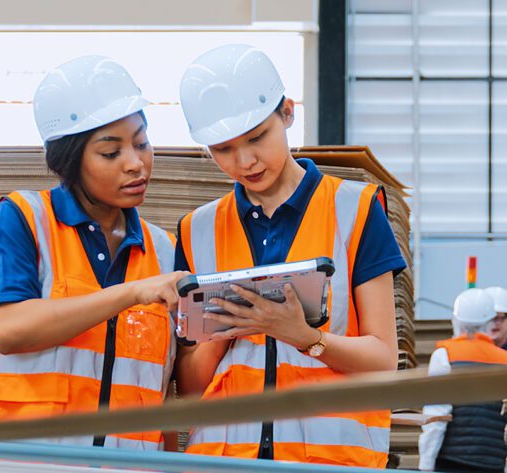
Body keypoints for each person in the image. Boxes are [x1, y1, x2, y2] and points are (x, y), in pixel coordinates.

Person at [174, 44, 406, 467]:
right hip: (226, 460)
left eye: (257, 137)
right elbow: (190, 388)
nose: (244, 161)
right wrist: (230, 325)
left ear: (287, 112)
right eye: (222, 149)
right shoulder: (197, 231)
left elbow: (383, 360)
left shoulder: (354, 210)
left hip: (328, 458)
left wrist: (306, 338)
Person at [0, 55, 187, 450]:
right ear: (70, 159)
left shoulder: (165, 251)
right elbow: (9, 331)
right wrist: (133, 293)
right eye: (110, 152)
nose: (136, 164)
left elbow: (161, 392)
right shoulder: (23, 219)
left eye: (142, 142)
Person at [418, 288, 507, 472]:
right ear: (490, 321)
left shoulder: (445, 355)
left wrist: (425, 465)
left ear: (455, 319)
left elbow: (437, 417)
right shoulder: (504, 360)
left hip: (451, 462)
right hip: (493, 463)